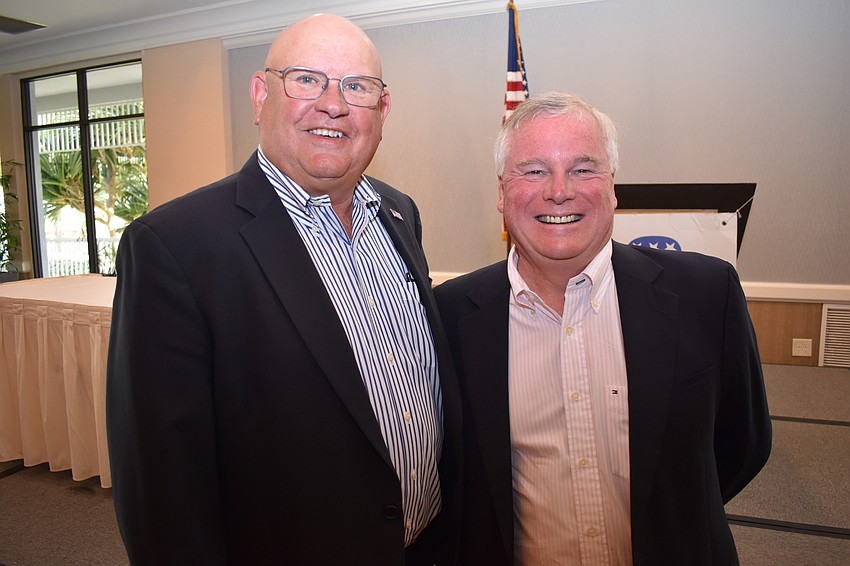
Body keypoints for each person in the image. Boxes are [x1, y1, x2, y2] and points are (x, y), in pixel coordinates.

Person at [106, 14, 460, 566]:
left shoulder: (399, 212)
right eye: (306, 80)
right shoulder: (173, 245)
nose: (333, 105)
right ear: (260, 95)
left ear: (382, 110)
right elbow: (162, 487)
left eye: (357, 87)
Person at [434, 92, 771, 565]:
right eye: (534, 170)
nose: (559, 191)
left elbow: (742, 445)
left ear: (612, 187)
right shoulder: (450, 315)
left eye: (582, 169)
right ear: (502, 193)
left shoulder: (706, 294)